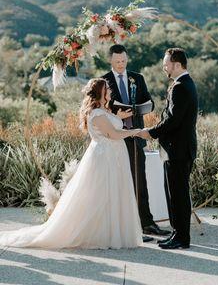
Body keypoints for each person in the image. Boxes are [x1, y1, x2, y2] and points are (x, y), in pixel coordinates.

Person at [0, 78, 142, 249]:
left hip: (113, 156)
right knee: (102, 194)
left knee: (112, 193)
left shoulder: (103, 111)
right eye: (108, 89)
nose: (110, 91)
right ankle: (100, 234)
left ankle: (112, 232)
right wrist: (137, 132)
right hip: (106, 158)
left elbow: (111, 126)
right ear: (101, 94)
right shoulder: (96, 113)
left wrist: (118, 116)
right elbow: (113, 134)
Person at [103, 44, 170, 238]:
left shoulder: (137, 78)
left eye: (124, 61)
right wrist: (118, 113)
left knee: (140, 182)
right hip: (115, 138)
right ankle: (123, 226)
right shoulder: (103, 80)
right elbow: (99, 108)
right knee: (118, 183)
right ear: (110, 61)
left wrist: (142, 108)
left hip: (136, 136)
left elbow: (149, 102)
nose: (121, 64)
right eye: (117, 62)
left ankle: (147, 223)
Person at [138, 48, 198, 249]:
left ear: (177, 64)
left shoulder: (181, 86)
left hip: (178, 150)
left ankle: (181, 237)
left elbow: (172, 121)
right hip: (180, 148)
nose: (164, 67)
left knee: (178, 195)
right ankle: (178, 234)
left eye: (166, 63)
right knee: (176, 193)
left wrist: (151, 132)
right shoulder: (185, 84)